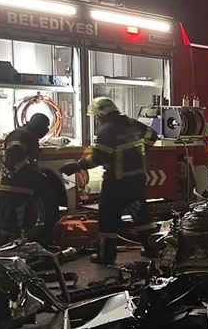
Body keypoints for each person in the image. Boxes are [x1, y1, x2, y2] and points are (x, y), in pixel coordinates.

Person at [59, 97, 159, 264]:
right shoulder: (132, 123)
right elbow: (152, 135)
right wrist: (140, 151)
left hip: (116, 183)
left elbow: (99, 157)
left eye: (97, 117)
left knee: (108, 218)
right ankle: (153, 248)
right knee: (142, 215)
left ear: (101, 115)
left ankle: (106, 256)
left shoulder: (107, 130)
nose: (97, 120)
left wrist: (77, 166)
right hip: (137, 180)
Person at [0, 113, 51, 243]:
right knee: (11, 226)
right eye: (45, 126)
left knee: (19, 226)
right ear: (37, 124)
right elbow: (14, 157)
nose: (46, 130)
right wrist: (32, 172)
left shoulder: (28, 135)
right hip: (12, 187)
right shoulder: (21, 135)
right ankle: (7, 250)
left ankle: (15, 248)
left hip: (21, 187)